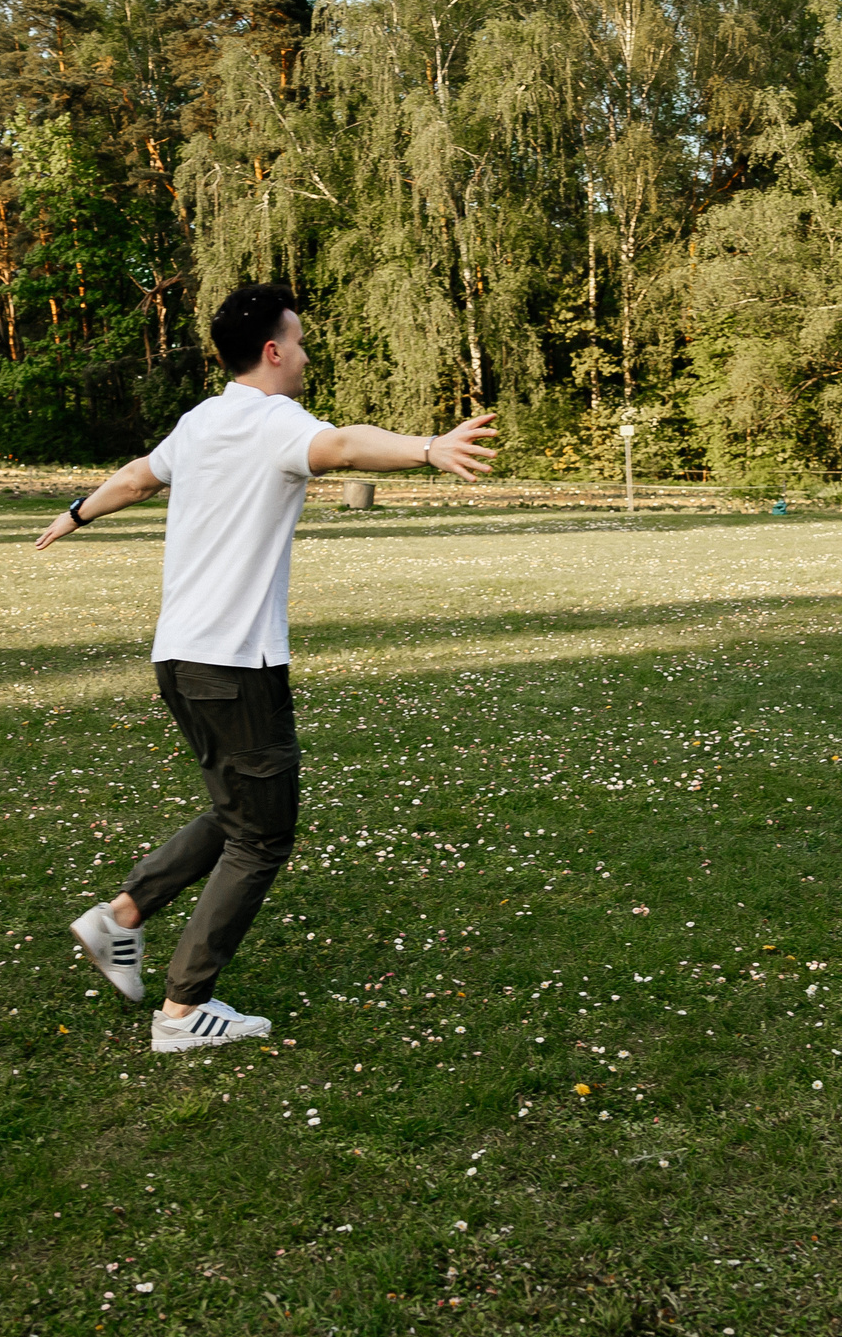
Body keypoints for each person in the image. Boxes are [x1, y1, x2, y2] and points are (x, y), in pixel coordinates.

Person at [32, 283, 496, 1050]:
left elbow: (138, 476)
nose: (308, 353)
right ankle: (184, 1010)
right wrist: (427, 448)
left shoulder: (202, 419)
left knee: (240, 805)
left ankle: (121, 918)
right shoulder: (275, 421)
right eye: (301, 340)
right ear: (273, 351)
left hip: (179, 657)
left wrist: (76, 512)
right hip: (235, 665)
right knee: (263, 834)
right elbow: (341, 446)